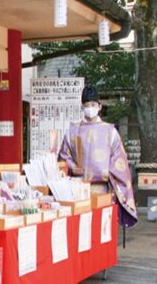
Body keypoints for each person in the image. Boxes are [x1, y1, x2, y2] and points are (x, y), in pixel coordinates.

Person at [58, 85, 138, 228]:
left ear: (100, 106)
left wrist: (108, 172)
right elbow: (64, 156)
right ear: (82, 107)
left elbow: (119, 161)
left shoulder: (110, 131)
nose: (90, 108)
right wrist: (73, 167)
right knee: (79, 230)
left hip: (102, 190)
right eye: (87, 105)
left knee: (101, 229)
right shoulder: (72, 130)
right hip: (77, 190)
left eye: (93, 104)